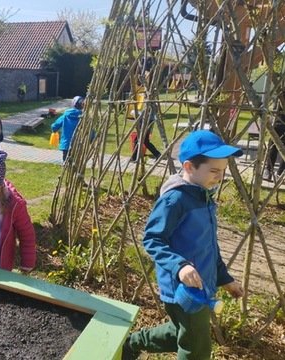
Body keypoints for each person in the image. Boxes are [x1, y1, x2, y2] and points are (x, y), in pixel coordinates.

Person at [122, 130, 245, 360]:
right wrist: (180, 267)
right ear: (189, 167)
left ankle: (131, 344)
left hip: (202, 284)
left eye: (223, 171)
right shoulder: (175, 200)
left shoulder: (203, 196)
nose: (220, 177)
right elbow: (152, 239)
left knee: (183, 333)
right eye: (214, 171)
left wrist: (225, 279)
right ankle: (131, 345)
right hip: (184, 288)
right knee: (197, 349)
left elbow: (208, 246)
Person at [51, 96, 84, 162]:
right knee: (76, 162)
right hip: (78, 144)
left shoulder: (66, 115)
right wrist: (92, 137)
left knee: (66, 161)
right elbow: (90, 130)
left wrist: (54, 129)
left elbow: (55, 126)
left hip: (66, 144)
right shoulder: (83, 117)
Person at [263, 93, 285, 182]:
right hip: (278, 121)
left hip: (277, 121)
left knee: (274, 147)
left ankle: (278, 172)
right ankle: (270, 171)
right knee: (273, 147)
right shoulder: (281, 90)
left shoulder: (280, 88)